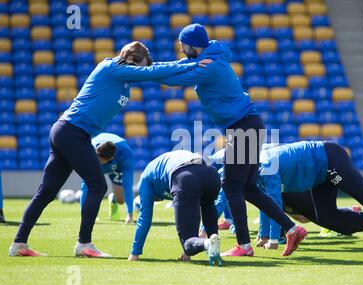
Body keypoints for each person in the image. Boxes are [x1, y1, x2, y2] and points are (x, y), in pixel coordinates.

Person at [9, 41, 209, 258]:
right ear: (130, 60)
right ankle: (83, 244)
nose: (142, 71)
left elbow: (156, 71)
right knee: (96, 186)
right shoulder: (110, 67)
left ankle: (19, 244)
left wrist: (192, 67)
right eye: (140, 66)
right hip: (72, 131)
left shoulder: (124, 79)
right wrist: (192, 62)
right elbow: (154, 71)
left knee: (47, 191)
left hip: (70, 132)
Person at [152, 23, 305, 257]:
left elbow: (176, 79)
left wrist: (142, 74)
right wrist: (146, 68)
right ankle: (292, 228)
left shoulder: (210, 65)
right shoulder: (206, 58)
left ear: (192, 45)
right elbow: (177, 66)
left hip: (242, 127)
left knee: (232, 185)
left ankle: (244, 246)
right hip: (247, 125)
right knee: (248, 189)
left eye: (183, 44)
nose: (180, 49)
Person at [128, 150, 222, 266]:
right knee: (208, 204)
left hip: (185, 175)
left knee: (188, 243)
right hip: (211, 174)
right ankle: (214, 245)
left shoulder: (145, 180)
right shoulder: (158, 169)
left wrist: (134, 253)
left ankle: (207, 244)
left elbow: (144, 218)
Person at [80, 133, 135, 224]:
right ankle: (88, 214)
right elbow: (84, 186)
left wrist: (130, 215)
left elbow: (128, 186)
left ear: (110, 159)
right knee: (90, 187)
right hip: (97, 163)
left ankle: (113, 199)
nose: (99, 162)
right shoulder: (89, 152)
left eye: (100, 161)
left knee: (120, 200)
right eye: (97, 159)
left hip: (116, 167)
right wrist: (84, 217)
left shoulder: (126, 155)